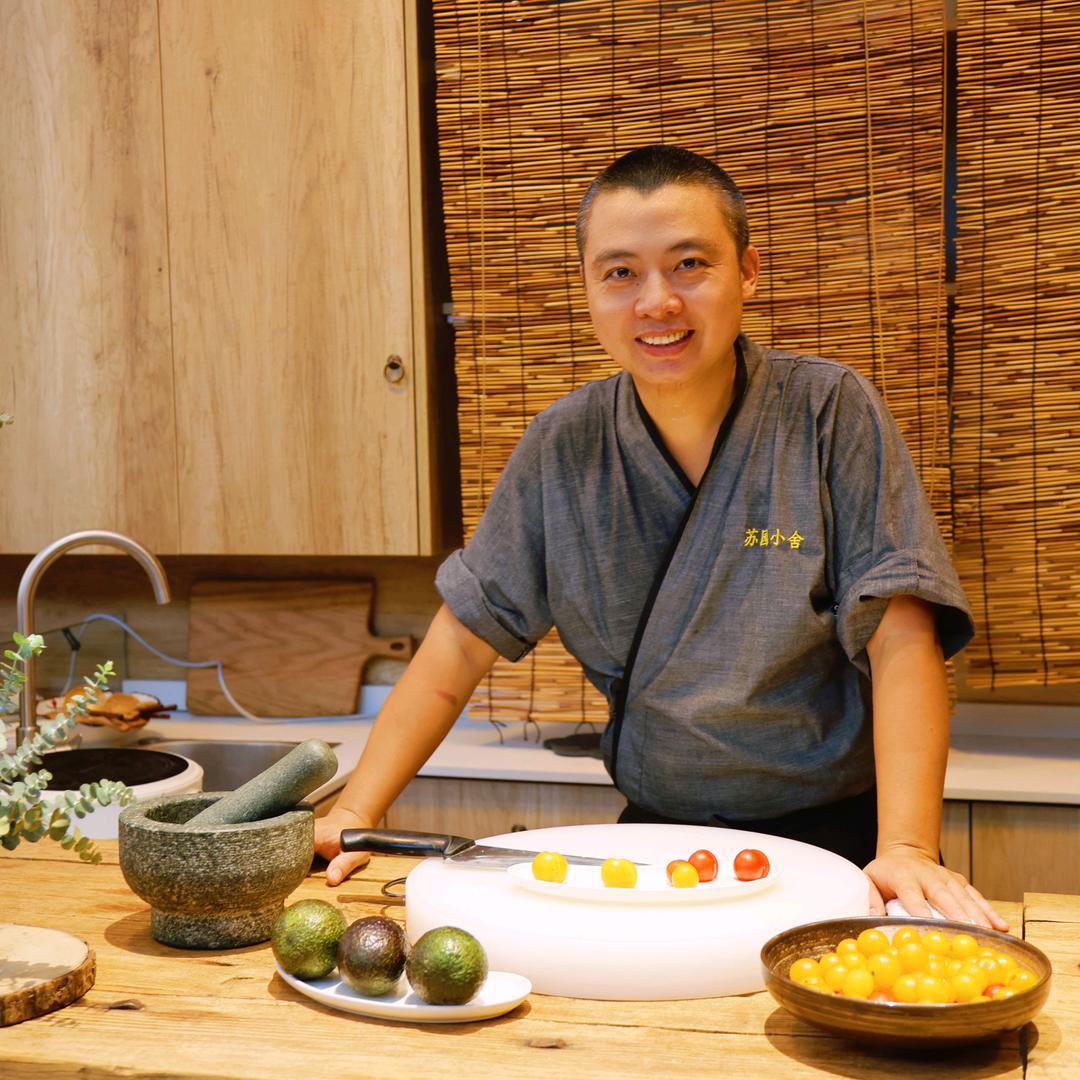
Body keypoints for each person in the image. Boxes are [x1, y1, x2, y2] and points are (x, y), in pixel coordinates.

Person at [316, 145, 1005, 930]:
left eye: (689, 265)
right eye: (621, 273)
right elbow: (458, 646)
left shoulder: (827, 411)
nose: (657, 302)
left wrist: (907, 846)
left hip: (839, 838)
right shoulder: (563, 446)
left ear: (747, 272)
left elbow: (901, 633)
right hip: (656, 842)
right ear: (588, 288)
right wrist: (354, 811)